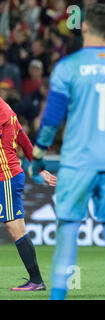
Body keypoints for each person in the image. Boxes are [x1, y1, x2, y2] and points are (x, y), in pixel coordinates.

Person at [30, 3, 105, 300]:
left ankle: (58, 297)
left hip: (76, 163)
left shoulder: (68, 67)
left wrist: (39, 155)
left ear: (83, 29)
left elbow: (52, 119)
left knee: (67, 233)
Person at [0, 97, 55, 291]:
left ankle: (36, 280)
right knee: (17, 229)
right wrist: (40, 169)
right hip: (8, 176)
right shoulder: (7, 110)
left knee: (16, 229)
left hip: (5, 178)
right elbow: (23, 139)